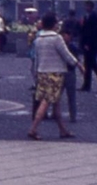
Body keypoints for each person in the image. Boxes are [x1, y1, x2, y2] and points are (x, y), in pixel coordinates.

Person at [27, 12, 76, 140]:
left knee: (56, 102)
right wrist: (77, 64)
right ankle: (33, 129)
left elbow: (36, 58)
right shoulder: (57, 38)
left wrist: (35, 73)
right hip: (55, 73)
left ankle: (62, 130)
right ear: (54, 24)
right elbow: (66, 55)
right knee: (47, 101)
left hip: (42, 72)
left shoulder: (38, 39)